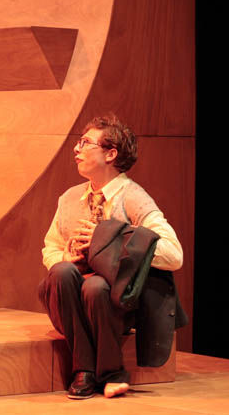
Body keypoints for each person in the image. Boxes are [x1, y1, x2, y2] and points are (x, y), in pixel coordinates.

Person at [38, 114, 184, 399]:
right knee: (61, 271)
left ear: (110, 154)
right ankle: (105, 372)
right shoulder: (69, 198)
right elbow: (49, 248)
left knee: (95, 287)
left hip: (114, 303)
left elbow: (173, 253)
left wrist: (111, 239)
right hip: (69, 302)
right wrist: (66, 256)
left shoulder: (133, 197)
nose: (76, 149)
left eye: (85, 143)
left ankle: (88, 371)